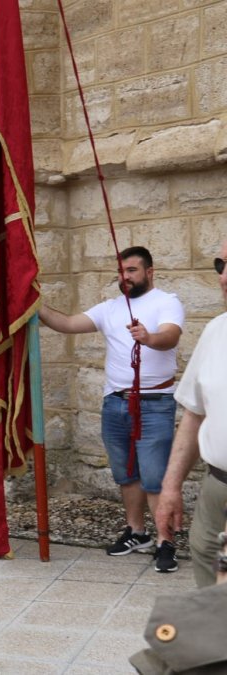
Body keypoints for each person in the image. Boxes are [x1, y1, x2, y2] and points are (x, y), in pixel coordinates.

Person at [39, 246, 184, 569]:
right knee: (125, 473)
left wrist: (148, 337)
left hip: (154, 402)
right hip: (115, 402)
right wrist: (34, 303)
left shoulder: (166, 301)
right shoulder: (110, 308)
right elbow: (66, 323)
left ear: (149, 272)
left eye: (132, 270)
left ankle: (165, 541)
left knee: (155, 475)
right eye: (121, 271)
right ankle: (137, 531)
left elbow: (170, 337)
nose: (125, 277)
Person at [155, 241, 227, 582]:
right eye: (220, 265)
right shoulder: (216, 331)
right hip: (217, 488)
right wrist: (171, 488)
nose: (223, 278)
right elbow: (195, 414)